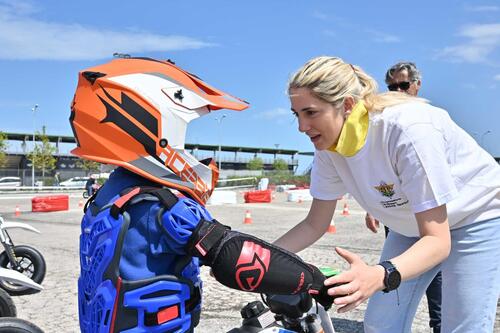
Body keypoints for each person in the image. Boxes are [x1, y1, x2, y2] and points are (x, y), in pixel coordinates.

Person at [71, 56, 334, 333]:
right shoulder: (158, 203)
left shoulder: (110, 196)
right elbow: (232, 255)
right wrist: (311, 280)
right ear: (149, 126)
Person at [274, 56, 500, 332]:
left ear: (346, 105)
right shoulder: (328, 147)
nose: (301, 126)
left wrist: (379, 275)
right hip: (410, 227)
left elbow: (437, 241)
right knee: (381, 324)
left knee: (462, 327)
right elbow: (314, 224)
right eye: (296, 114)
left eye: (310, 112)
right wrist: (256, 257)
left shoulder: (407, 130)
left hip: (476, 215)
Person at [364, 61, 442, 333]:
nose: (397, 90)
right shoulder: (383, 123)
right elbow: (380, 171)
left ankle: (439, 325)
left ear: (417, 85)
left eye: (403, 85)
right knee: (397, 274)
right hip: (399, 216)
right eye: (392, 86)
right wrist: (373, 206)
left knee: (438, 280)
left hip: (435, 215)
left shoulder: (426, 118)